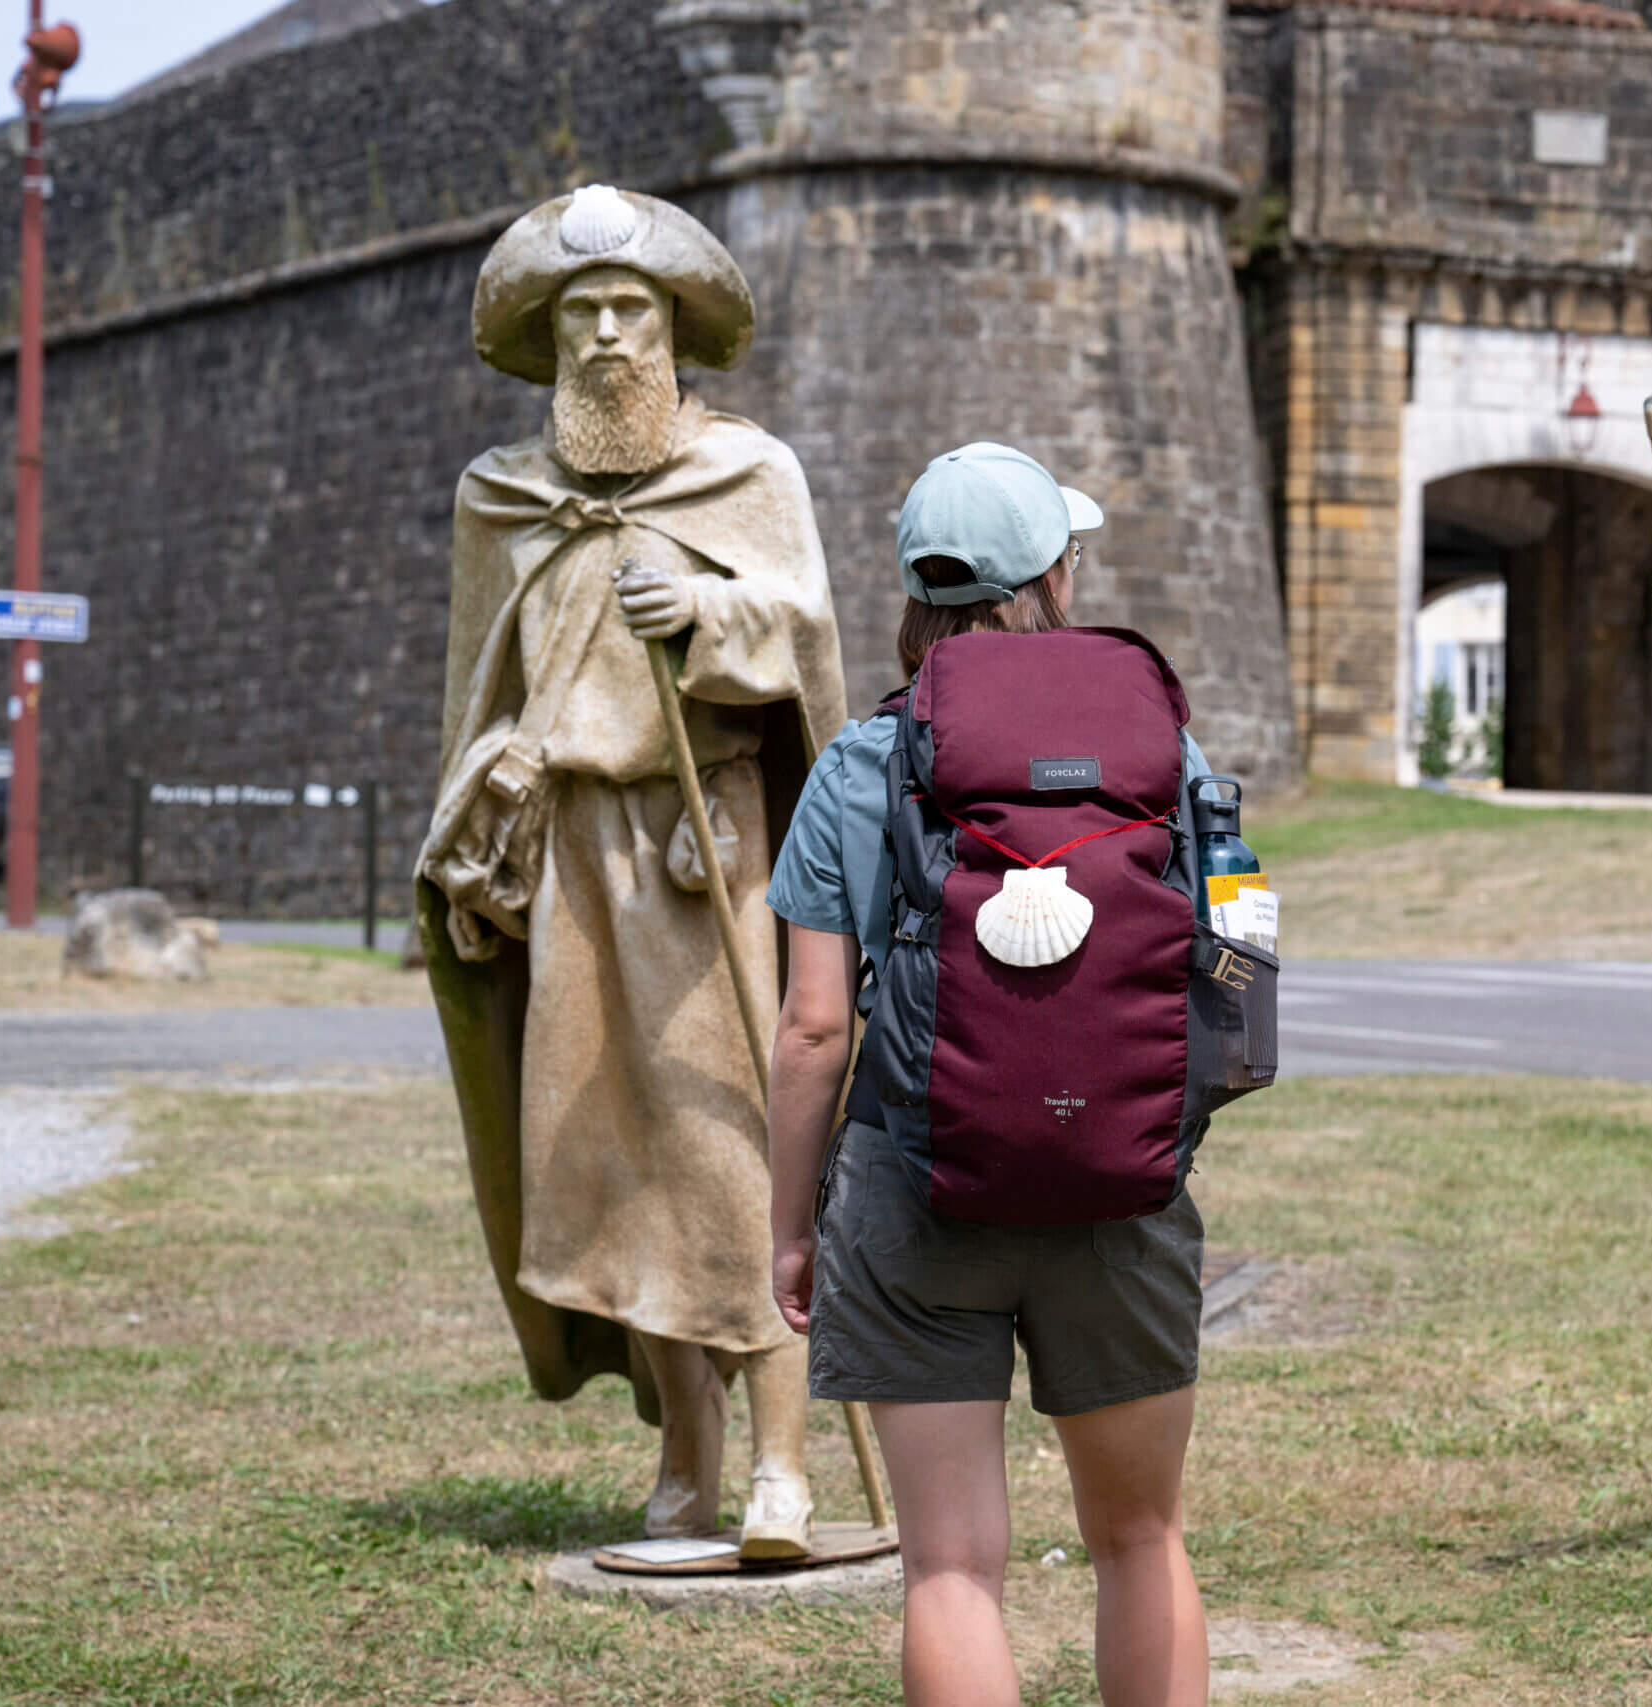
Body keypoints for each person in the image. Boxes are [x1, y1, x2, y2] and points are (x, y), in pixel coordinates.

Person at [418, 185, 848, 1559]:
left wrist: (710, 612)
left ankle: (786, 1467)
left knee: (730, 1149)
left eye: (632, 311)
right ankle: (688, 1456)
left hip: (701, 846)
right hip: (569, 862)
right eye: (583, 314)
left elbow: (803, 645)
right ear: (548, 339)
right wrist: (493, 795)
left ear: (674, 330)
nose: (607, 337)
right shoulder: (505, 499)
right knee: (616, 1164)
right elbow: (480, 691)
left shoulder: (749, 476)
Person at [764, 443, 1212, 1705]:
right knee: (1141, 1537)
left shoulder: (860, 764)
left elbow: (811, 1030)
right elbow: (1224, 954)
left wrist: (793, 1229)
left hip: (913, 1191)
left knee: (951, 1569)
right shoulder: (1160, 752)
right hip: (1119, 1188)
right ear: (1058, 577)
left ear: (913, 592)